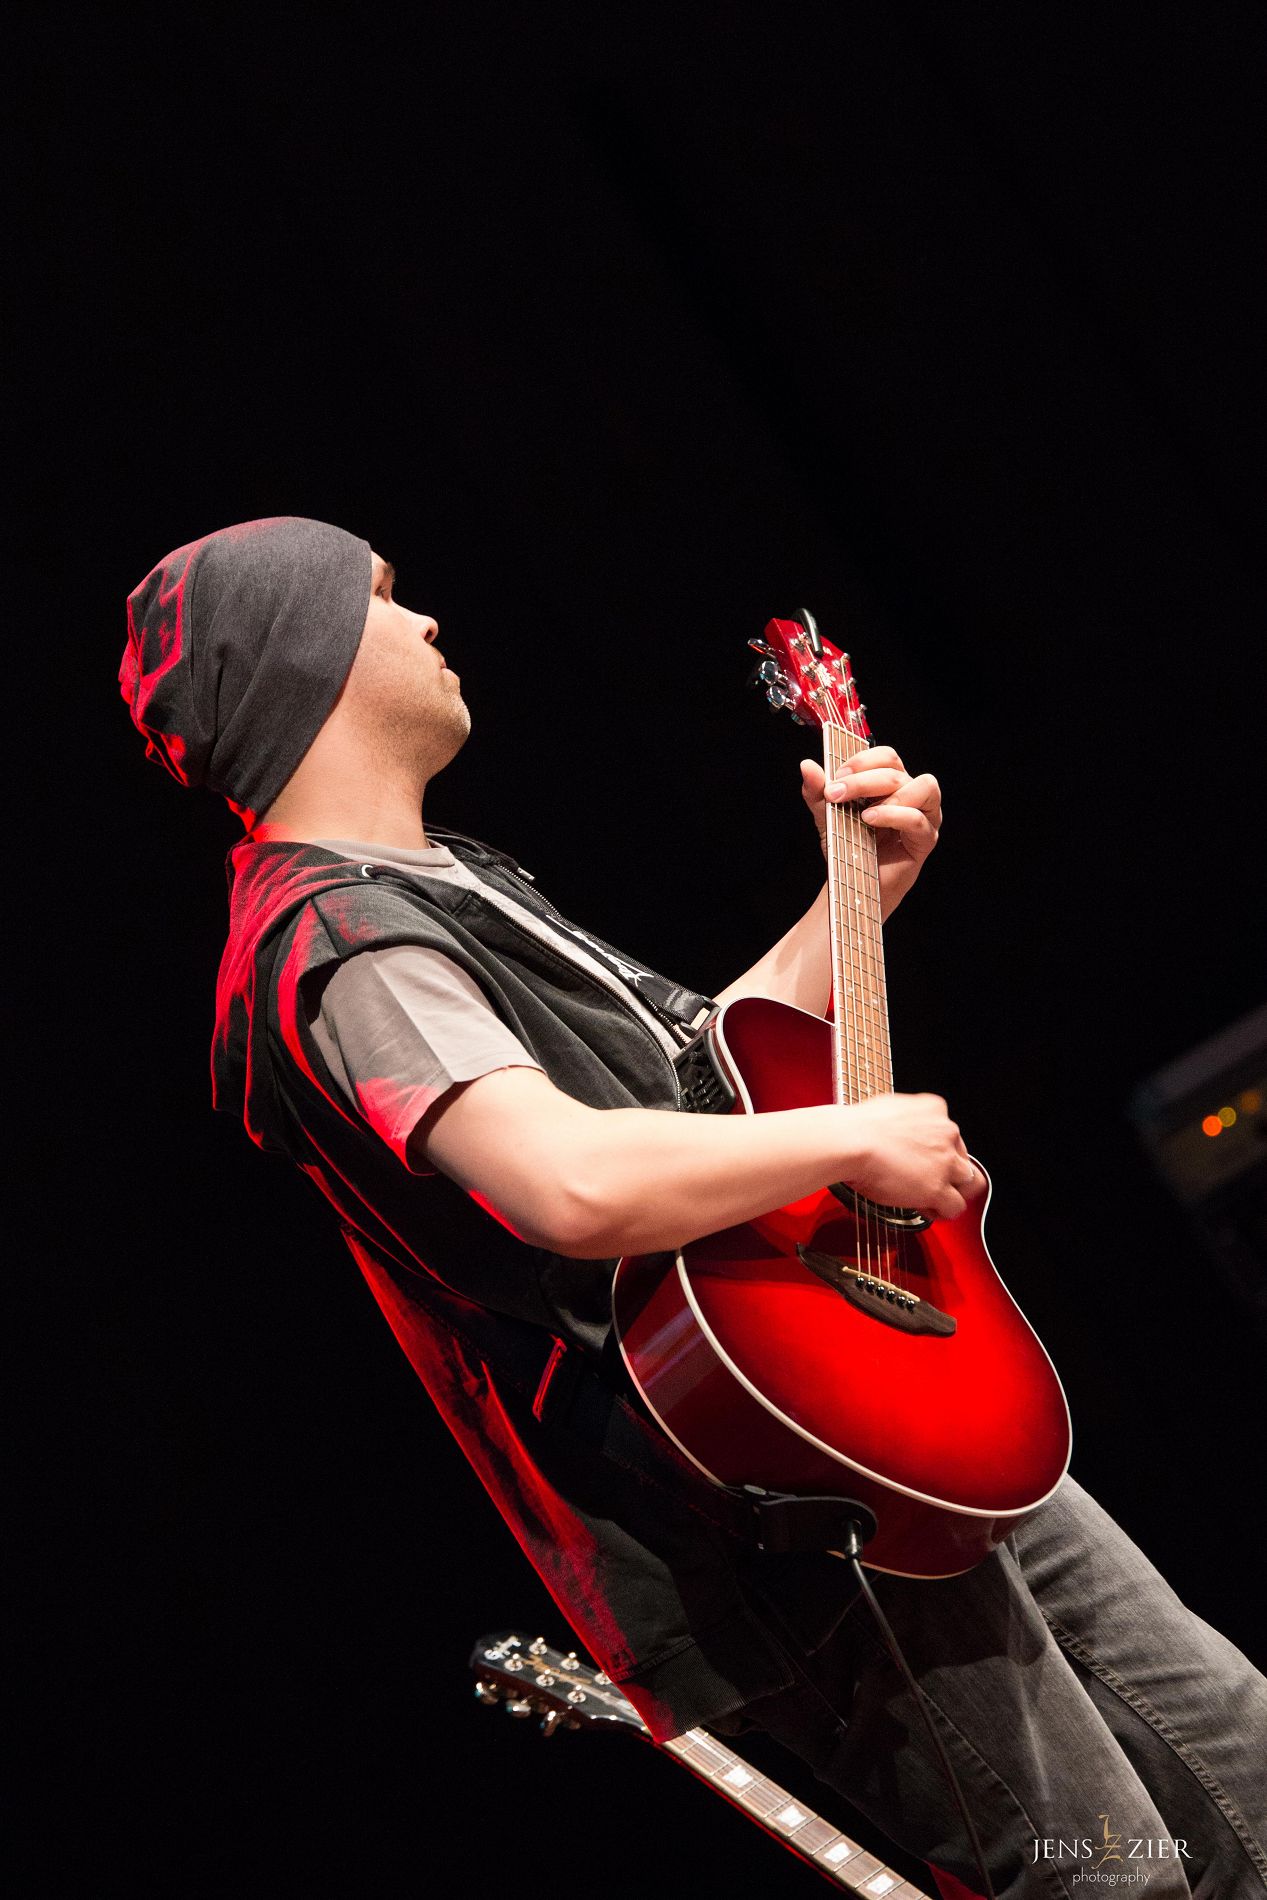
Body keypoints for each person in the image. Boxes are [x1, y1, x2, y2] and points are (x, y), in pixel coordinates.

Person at [121, 516, 1267, 1899]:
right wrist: (853, 1133)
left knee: (1242, 1763)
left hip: (872, 1402)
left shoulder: (447, 881)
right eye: (378, 597)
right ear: (297, 653)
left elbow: (694, 1082)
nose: (424, 621)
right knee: (1107, 1872)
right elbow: (568, 1179)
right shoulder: (339, 941)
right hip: (769, 1499)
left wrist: (860, 898)